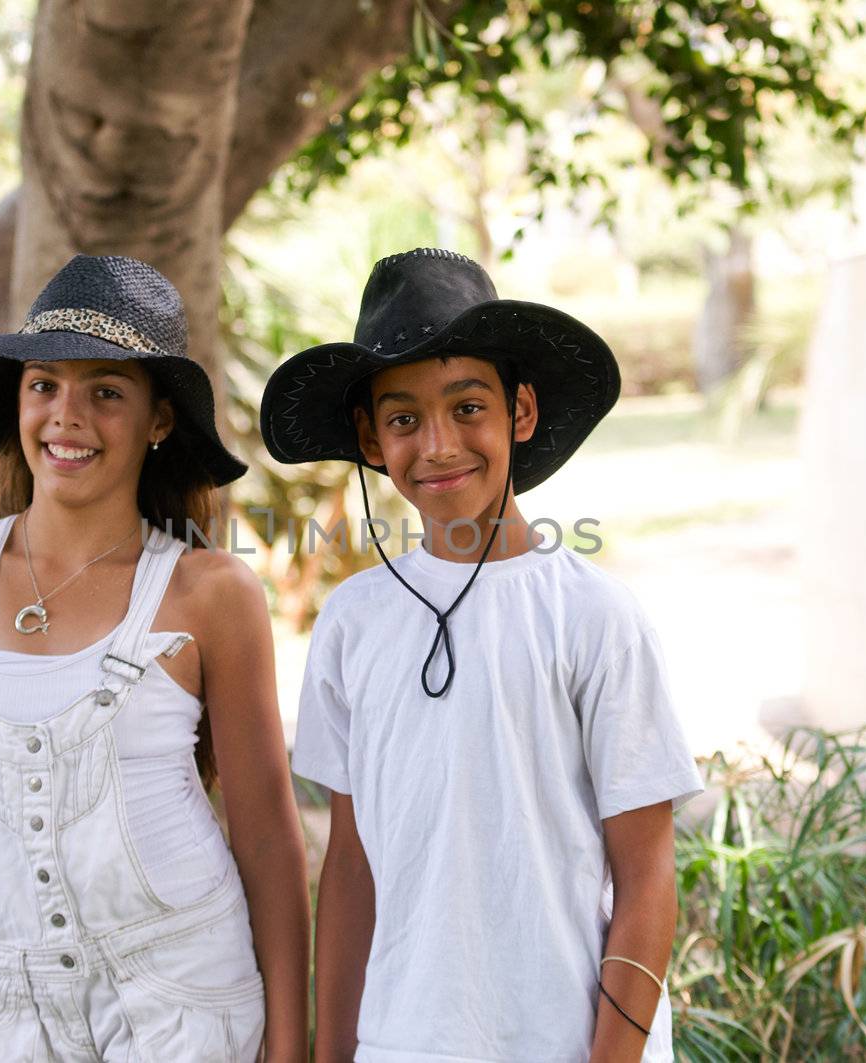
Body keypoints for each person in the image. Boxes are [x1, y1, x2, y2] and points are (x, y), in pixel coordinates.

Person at [260, 247, 705, 1062]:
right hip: (404, 1042)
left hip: (568, 1043)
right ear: (369, 438)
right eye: (402, 419)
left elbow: (647, 876)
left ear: (520, 411)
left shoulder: (591, 616)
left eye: (468, 407)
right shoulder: (353, 624)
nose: (437, 445)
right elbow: (352, 864)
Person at [0, 254, 309, 1062]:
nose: (66, 416)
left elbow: (267, 835)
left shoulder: (208, 593)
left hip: (189, 1002)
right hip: (13, 1010)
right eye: (44, 384)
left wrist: (289, 1047)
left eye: (105, 390)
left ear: (159, 420)